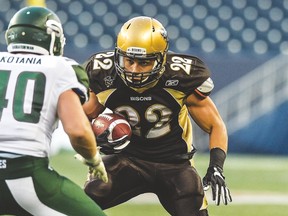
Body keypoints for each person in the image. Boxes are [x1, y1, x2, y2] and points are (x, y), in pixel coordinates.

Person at [82, 16, 232, 216]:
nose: (134, 70)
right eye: (129, 60)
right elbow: (84, 116)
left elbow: (215, 125)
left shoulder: (180, 77)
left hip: (175, 164)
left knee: (192, 204)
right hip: (127, 159)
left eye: (144, 62)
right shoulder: (103, 74)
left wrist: (216, 166)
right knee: (83, 200)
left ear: (161, 58)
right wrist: (94, 137)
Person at [0, 6, 108, 216]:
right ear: (51, 38)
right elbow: (77, 130)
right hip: (24, 173)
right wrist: (93, 158)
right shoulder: (59, 67)